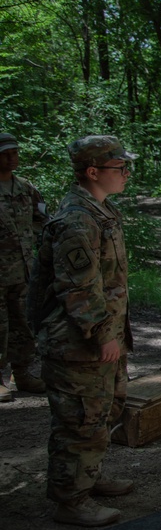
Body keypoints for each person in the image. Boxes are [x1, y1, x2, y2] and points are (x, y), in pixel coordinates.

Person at [30, 135, 136, 526]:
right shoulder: (77, 219)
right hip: (78, 342)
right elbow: (78, 286)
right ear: (93, 172)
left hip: (99, 337)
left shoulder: (99, 211)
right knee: (79, 420)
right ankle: (70, 499)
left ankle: (89, 476)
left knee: (104, 410)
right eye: (119, 168)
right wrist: (103, 334)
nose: (126, 174)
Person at [0, 132, 49, 401]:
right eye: (6, 153)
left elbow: (42, 218)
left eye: (15, 152)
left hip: (23, 271)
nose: (12, 158)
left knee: (23, 324)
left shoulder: (25, 188)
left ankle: (23, 373)